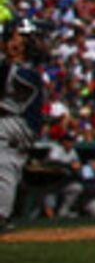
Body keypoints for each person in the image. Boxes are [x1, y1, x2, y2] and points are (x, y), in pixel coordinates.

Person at [0, 24, 46, 234]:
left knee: (6, 167)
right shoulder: (18, 68)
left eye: (18, 39)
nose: (12, 42)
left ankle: (1, 216)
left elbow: (13, 80)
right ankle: (3, 216)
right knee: (8, 166)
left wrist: (11, 57)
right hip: (19, 126)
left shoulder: (25, 72)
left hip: (16, 123)